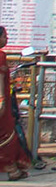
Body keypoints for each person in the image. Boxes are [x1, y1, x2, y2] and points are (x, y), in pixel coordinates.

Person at [0, 25, 31, 176]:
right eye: (4, 36)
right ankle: (11, 168)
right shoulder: (0, 56)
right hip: (2, 100)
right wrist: (1, 100)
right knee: (6, 134)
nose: (6, 39)